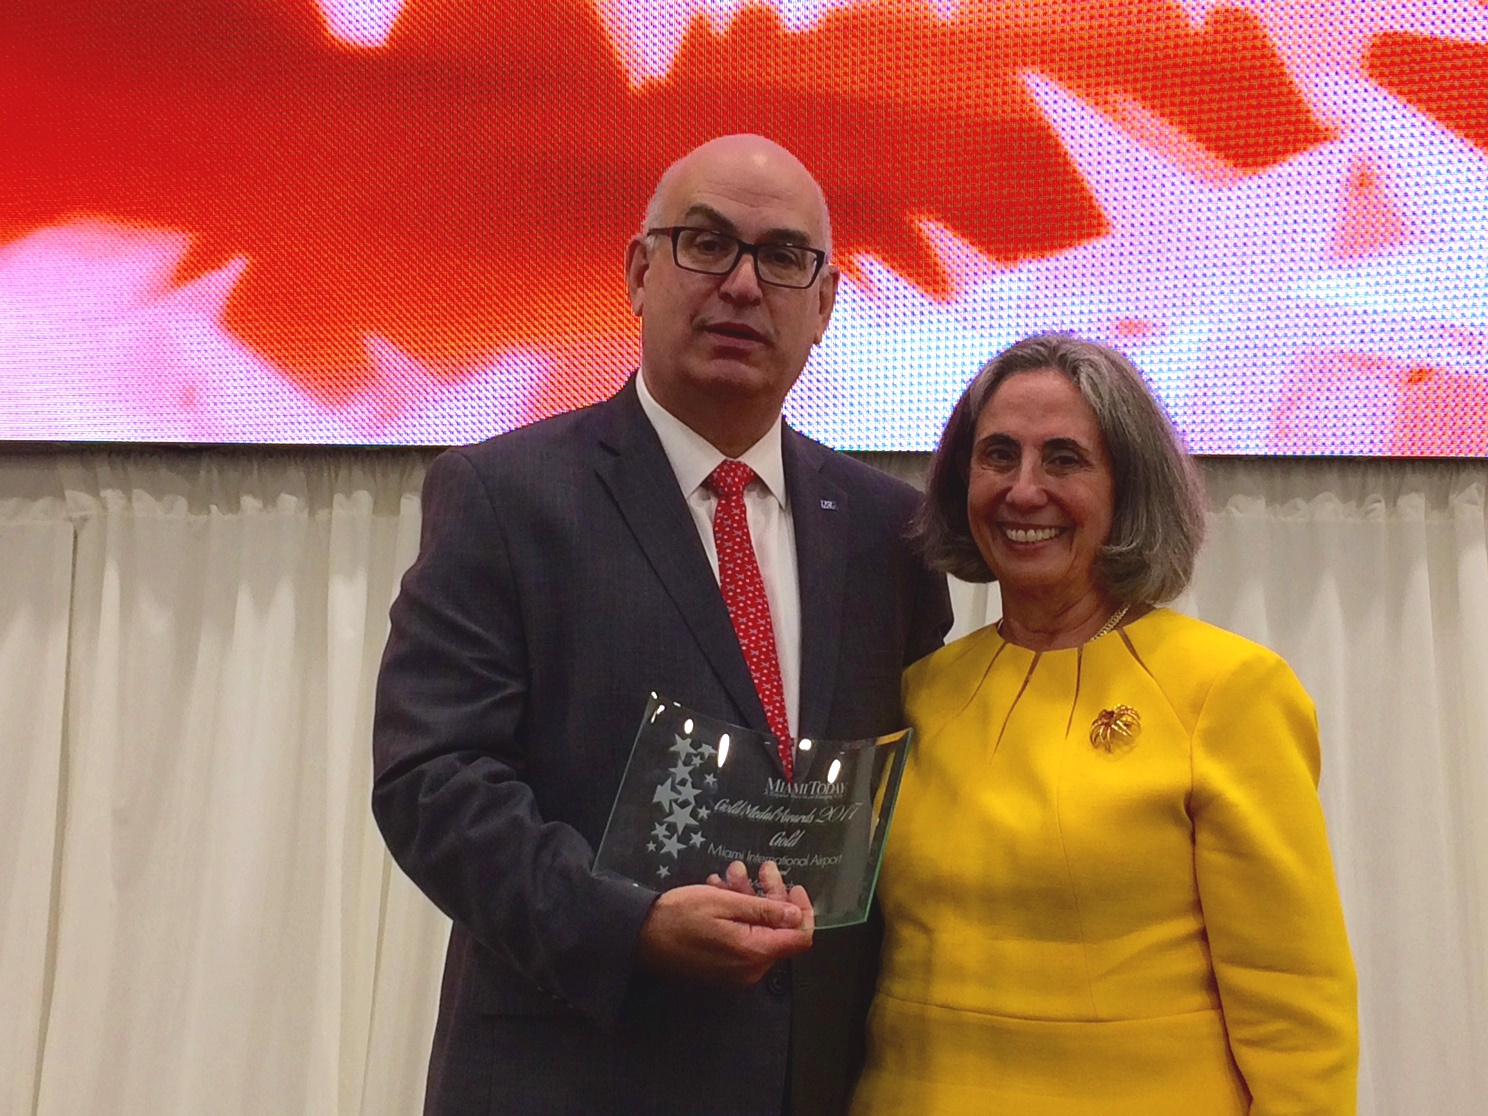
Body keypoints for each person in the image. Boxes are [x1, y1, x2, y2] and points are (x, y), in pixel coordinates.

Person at [371, 134, 952, 1116]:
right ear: (641, 272)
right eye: (705, 243)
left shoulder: (887, 532)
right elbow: (433, 782)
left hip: (815, 1081)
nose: (740, 284)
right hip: (576, 1070)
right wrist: (626, 924)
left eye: (781, 257)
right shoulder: (505, 497)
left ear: (825, 304)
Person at [851, 334, 1358, 1114]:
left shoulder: (1226, 692)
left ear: (1130, 488)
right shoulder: (921, 692)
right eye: (997, 456)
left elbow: (1297, 1007)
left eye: (1064, 459)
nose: (1024, 491)